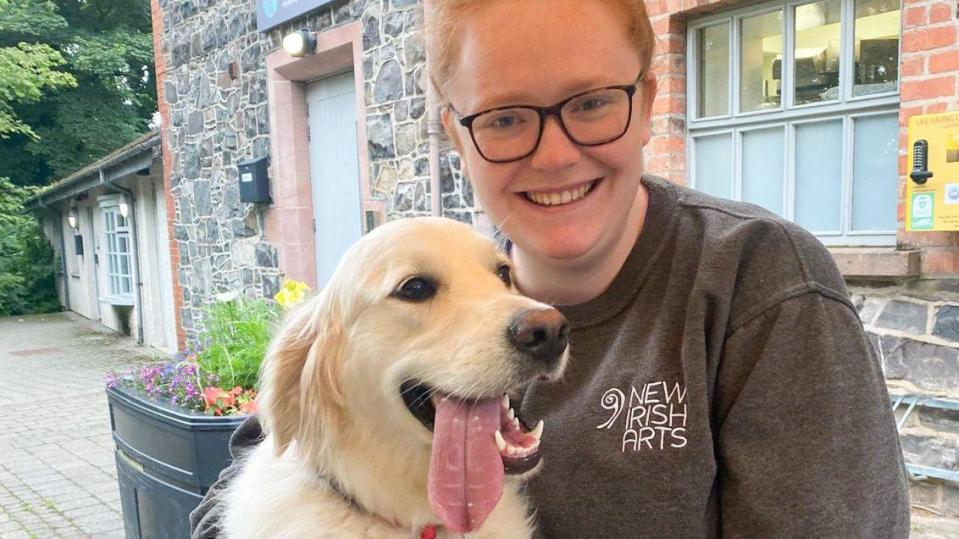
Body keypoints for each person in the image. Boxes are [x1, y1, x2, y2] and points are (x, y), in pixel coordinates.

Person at [192, 0, 910, 536]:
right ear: (454, 133)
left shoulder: (760, 283)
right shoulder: (440, 265)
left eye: (593, 102)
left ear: (647, 102)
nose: (555, 154)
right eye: (505, 117)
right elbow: (262, 467)